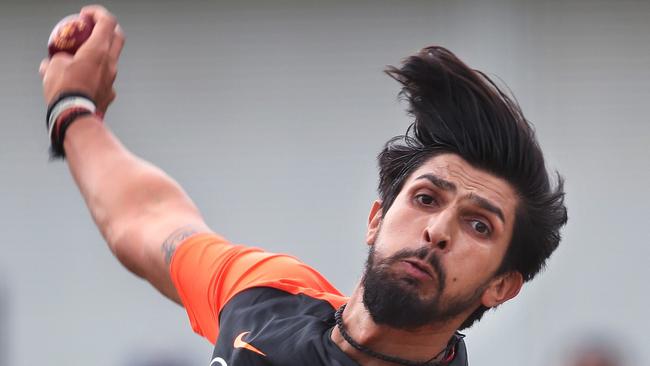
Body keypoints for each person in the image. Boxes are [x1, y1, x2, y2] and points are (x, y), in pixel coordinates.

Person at [39, 6, 568, 366]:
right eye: (425, 199)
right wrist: (74, 110)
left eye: (479, 225)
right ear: (376, 218)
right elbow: (146, 219)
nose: (436, 231)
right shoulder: (268, 297)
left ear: (503, 285)